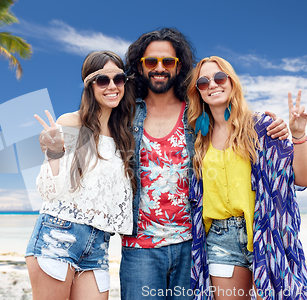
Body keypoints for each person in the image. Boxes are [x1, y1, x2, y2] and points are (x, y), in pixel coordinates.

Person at [120, 28, 289, 300]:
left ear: (180, 67)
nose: (160, 68)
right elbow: (91, 118)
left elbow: (234, 123)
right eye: (151, 62)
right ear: (140, 68)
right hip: (139, 248)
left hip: (191, 244)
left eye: (168, 62)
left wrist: (277, 128)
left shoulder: (196, 115)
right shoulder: (126, 114)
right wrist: (56, 144)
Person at [186, 56, 307, 300]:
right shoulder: (198, 140)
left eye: (219, 77)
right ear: (198, 92)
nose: (212, 84)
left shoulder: (261, 127)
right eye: (203, 82)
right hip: (220, 241)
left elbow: (302, 179)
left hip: (266, 233)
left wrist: (298, 135)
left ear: (232, 82)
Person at [25, 51, 136, 300]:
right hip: (57, 233)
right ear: (89, 85)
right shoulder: (72, 122)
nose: (112, 86)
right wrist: (53, 153)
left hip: (99, 245)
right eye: (102, 80)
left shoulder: (124, 134)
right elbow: (48, 191)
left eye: (118, 79)